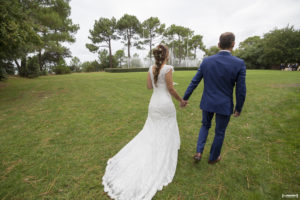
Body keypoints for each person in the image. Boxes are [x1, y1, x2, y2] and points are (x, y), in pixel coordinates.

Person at [102, 44, 183, 199]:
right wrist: (181, 100)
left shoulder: (151, 68)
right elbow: (171, 89)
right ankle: (166, 148)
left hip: (154, 104)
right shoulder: (169, 68)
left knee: (152, 129)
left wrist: (157, 83)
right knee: (166, 126)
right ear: (166, 55)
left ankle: (155, 146)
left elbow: (148, 87)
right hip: (165, 103)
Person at [181, 32, 246, 164]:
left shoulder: (207, 61)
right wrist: (238, 108)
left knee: (205, 126)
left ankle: (199, 152)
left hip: (208, 102)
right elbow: (241, 90)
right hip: (224, 104)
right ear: (233, 44)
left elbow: (194, 81)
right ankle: (213, 158)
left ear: (218, 44)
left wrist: (185, 97)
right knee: (220, 132)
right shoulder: (239, 63)